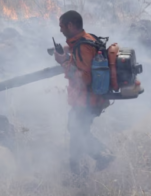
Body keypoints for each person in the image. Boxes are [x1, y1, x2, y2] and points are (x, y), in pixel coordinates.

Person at [54, 10, 115, 177]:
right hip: (90, 99)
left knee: (78, 133)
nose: (60, 30)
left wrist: (64, 61)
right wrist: (68, 49)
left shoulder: (83, 46)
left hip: (86, 101)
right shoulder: (89, 38)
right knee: (76, 131)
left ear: (71, 25)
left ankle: (102, 157)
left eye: (62, 26)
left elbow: (85, 77)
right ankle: (80, 173)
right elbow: (82, 54)